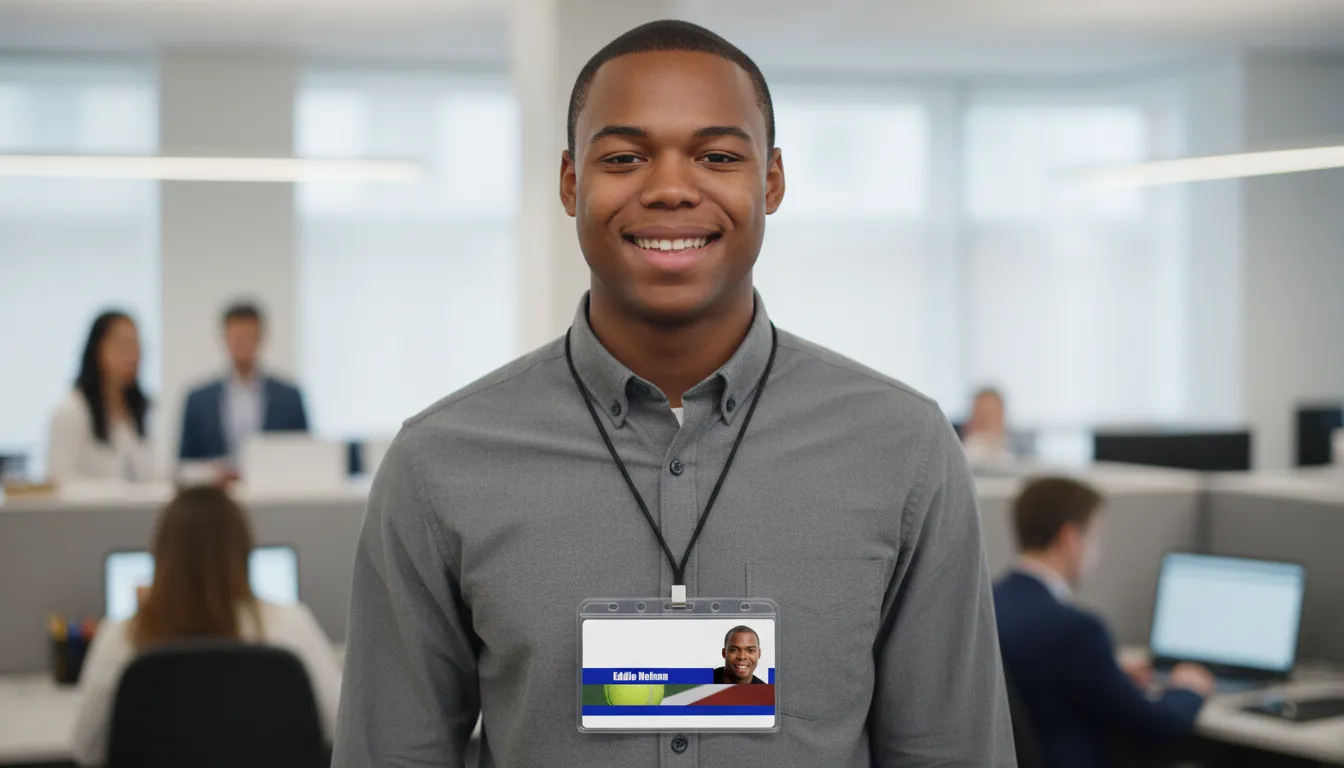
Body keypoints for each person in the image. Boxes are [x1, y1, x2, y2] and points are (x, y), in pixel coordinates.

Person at [334, 20, 1012, 767]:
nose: (668, 188)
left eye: (717, 156)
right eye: (624, 157)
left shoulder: (903, 453)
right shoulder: (440, 467)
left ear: (772, 182)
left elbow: (953, 751)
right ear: (570, 183)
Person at [70, 486, 340, 766]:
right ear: (244, 550)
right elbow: (339, 727)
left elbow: (87, 749)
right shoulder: (290, 625)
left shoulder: (122, 635)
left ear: (161, 554)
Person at [994, 477, 1215, 768]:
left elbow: (1044, 676)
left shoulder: (989, 603)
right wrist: (1187, 688)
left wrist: (1110, 671)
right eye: (1095, 537)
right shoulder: (1077, 630)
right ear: (1070, 538)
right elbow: (1154, 729)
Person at [178, 301, 309, 473]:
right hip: (215, 497)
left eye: (248, 336)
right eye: (236, 336)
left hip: (273, 494)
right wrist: (211, 472)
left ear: (261, 337)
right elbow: (184, 465)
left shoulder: (289, 397)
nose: (242, 343)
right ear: (224, 337)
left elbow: (304, 455)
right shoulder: (198, 400)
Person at [47, 310, 158, 484]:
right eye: (123, 345)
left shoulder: (145, 409)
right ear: (97, 349)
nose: (133, 355)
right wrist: (120, 493)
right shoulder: (70, 411)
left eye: (136, 346)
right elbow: (61, 482)